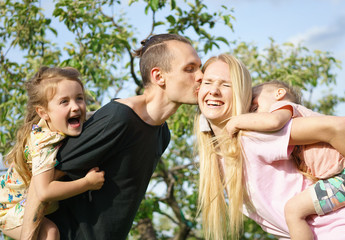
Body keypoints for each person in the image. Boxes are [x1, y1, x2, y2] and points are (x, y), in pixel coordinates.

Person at [20, 33, 203, 240]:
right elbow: (39, 185)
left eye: (199, 67)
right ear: (158, 76)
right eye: (190, 69)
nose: (201, 76)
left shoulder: (162, 133)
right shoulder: (118, 119)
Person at [195, 53, 345, 240]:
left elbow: (339, 127)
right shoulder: (216, 155)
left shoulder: (256, 135)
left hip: (344, 232)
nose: (214, 90)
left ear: (242, 94)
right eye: (207, 83)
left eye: (226, 84)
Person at [0, 67, 105, 240]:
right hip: (9, 210)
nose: (76, 107)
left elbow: (97, 117)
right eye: (64, 101)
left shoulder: (64, 122)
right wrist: (87, 183)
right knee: (50, 233)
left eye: (79, 98)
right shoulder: (44, 143)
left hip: (27, 204)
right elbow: (45, 191)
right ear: (43, 113)